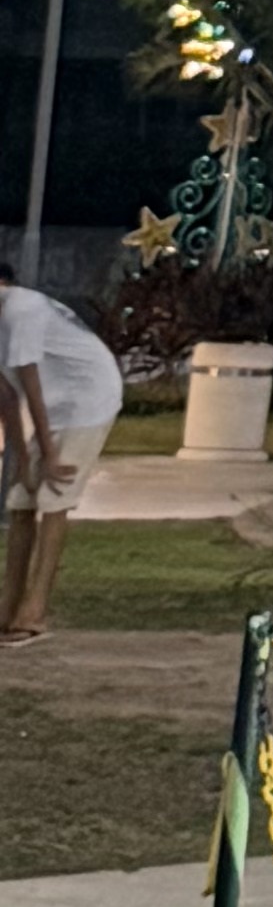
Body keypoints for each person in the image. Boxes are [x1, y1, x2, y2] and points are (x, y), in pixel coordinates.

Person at [0, 269, 126, 640]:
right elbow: (7, 397)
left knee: (55, 497)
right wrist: (22, 461)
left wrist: (49, 455)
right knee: (21, 500)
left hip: (88, 400)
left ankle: (34, 613)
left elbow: (30, 385)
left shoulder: (22, 309)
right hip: (54, 407)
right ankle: (7, 607)